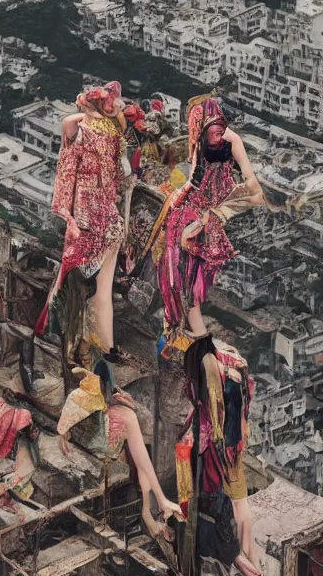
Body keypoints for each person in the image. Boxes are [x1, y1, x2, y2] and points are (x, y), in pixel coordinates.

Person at [149, 96, 265, 361]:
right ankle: (182, 336)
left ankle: (194, 343)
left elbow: (255, 192)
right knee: (176, 278)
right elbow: (194, 178)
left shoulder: (228, 139)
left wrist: (214, 214)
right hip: (186, 210)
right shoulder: (202, 134)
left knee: (184, 281)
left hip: (198, 217)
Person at [35, 82, 129, 363]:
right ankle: (108, 347)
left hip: (85, 221)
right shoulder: (114, 134)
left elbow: (64, 180)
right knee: (102, 290)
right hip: (110, 221)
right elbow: (119, 180)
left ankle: (64, 342)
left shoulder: (80, 134)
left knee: (69, 284)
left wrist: (69, 219)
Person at [57, 360, 183, 542]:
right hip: (99, 439)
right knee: (138, 451)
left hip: (98, 436)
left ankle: (150, 508)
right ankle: (155, 504)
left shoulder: (80, 399)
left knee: (140, 460)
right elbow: (142, 462)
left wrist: (64, 434)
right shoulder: (105, 408)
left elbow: (64, 425)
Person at [175, 333, 262, 576]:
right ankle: (243, 557)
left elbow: (217, 411)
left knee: (230, 503)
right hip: (223, 440)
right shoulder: (226, 362)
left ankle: (246, 557)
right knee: (231, 503)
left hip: (222, 442)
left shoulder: (215, 369)